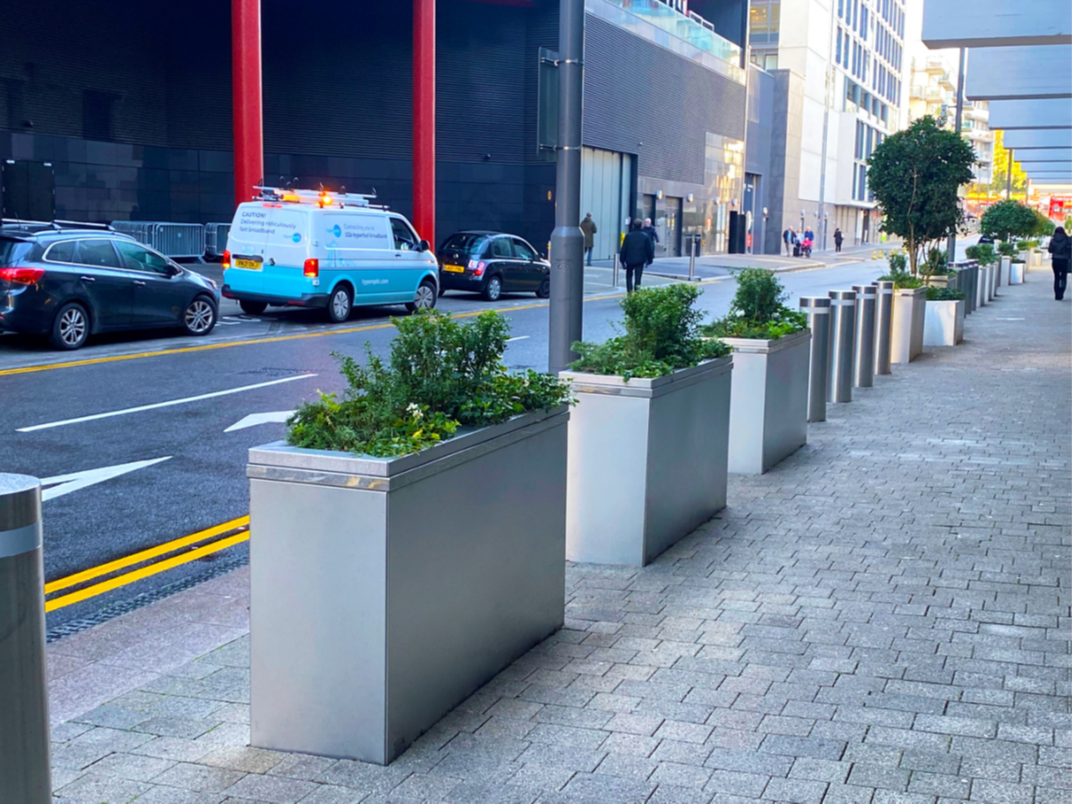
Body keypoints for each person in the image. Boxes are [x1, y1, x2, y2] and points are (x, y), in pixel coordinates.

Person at [619, 220, 654, 293]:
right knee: (638, 277)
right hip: (640, 259)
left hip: (629, 259)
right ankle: (637, 292)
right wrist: (650, 260)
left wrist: (622, 260)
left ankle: (629, 291)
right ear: (641, 226)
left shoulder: (628, 236)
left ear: (633, 226)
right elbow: (648, 250)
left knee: (629, 276)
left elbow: (624, 249)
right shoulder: (645, 236)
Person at [1048, 226, 1070, 301]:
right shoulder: (1067, 239)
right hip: (1064, 260)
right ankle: (1061, 293)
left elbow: (1050, 250)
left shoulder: (1053, 240)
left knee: (1056, 277)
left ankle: (1057, 295)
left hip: (1055, 259)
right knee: (1063, 277)